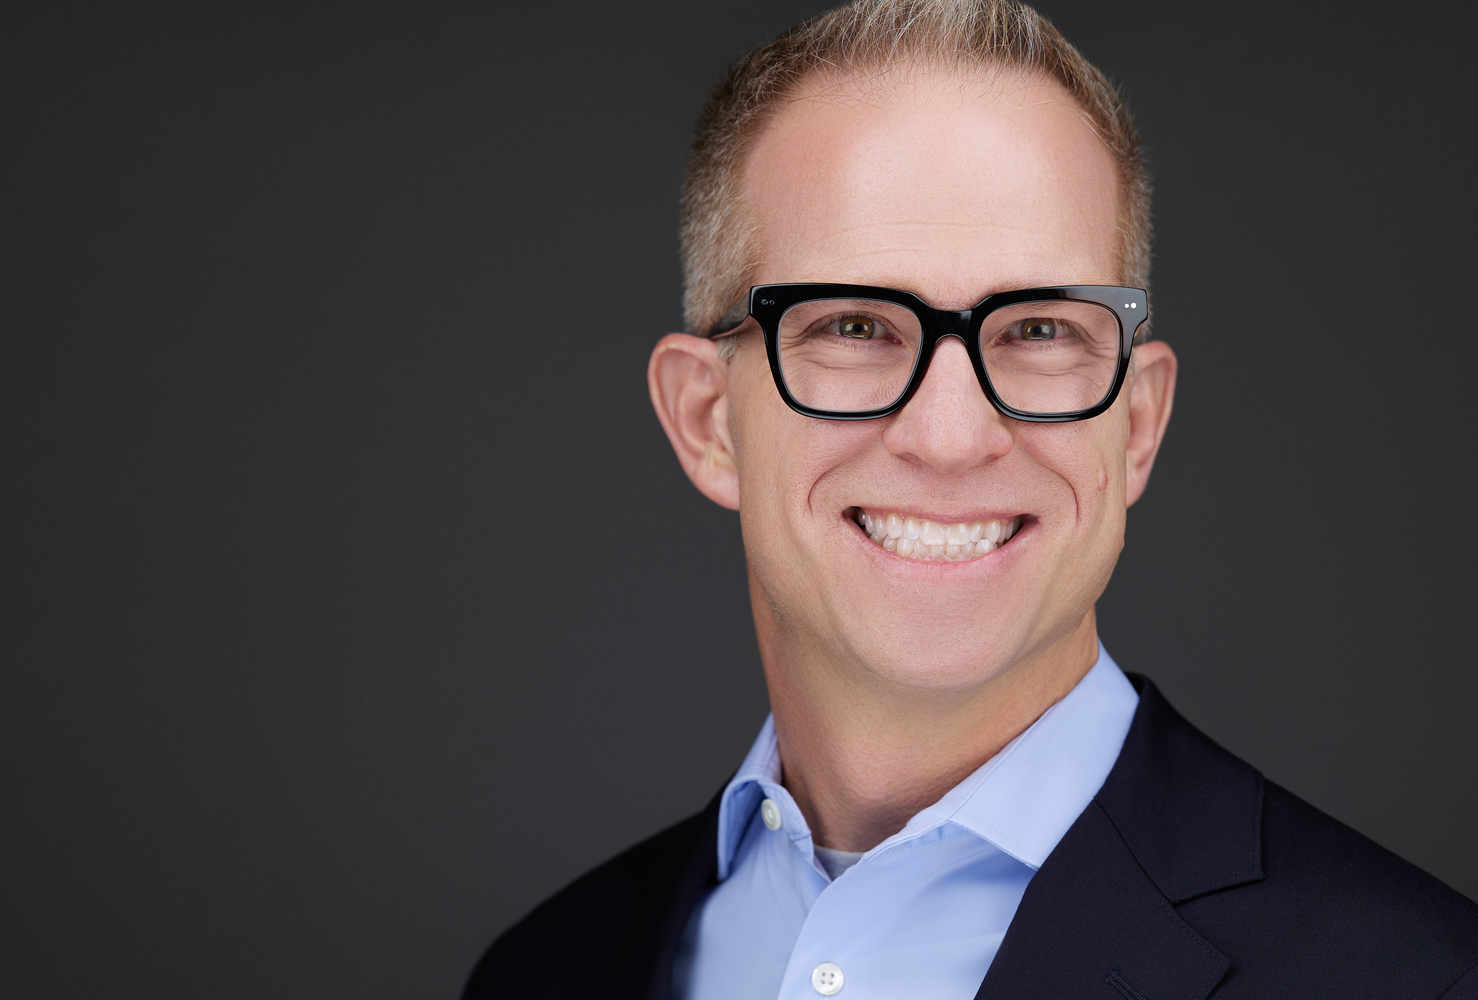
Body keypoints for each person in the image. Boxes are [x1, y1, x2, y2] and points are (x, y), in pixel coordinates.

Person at [465, 1, 1478, 997]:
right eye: (855, 326)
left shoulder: (1420, 980)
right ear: (708, 421)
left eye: (1039, 330)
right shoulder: (543, 971)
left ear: (1136, 424)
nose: (951, 438)